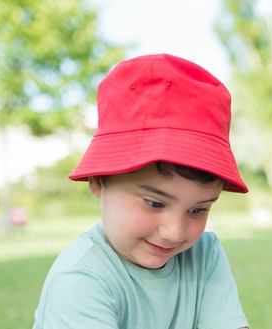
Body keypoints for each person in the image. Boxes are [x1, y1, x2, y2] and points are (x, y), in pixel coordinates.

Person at [33, 54, 250, 329]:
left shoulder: (204, 255)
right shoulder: (81, 278)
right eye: (154, 203)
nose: (175, 233)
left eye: (197, 210)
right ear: (98, 180)